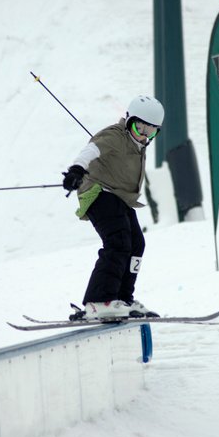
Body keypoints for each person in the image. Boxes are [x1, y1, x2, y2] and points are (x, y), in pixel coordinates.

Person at [63, 95, 164, 320]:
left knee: (137, 244)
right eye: (140, 128)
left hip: (119, 198)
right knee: (118, 241)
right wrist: (76, 170)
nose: (144, 136)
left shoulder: (138, 144)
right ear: (128, 121)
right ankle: (100, 301)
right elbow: (91, 150)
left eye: (151, 132)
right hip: (98, 192)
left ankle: (122, 299)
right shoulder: (115, 136)